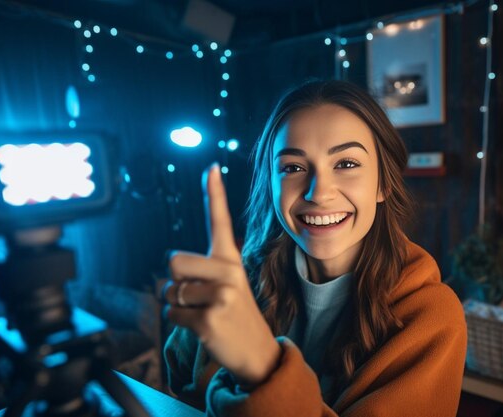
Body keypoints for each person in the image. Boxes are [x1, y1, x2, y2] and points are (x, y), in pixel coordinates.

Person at [161, 79, 467, 417]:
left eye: (346, 164)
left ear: (383, 183)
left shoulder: (430, 316)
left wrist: (262, 367)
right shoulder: (242, 284)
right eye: (293, 168)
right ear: (272, 185)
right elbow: (179, 388)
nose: (318, 193)